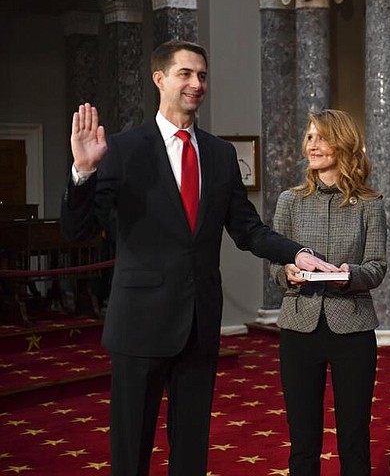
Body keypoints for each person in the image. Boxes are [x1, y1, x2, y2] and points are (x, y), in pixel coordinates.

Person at [60, 39, 340, 475]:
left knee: (191, 450)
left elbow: (247, 229)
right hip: (140, 323)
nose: (197, 84)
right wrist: (83, 173)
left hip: (199, 323)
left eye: (203, 76)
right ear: (160, 79)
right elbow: (78, 233)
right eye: (186, 74)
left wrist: (298, 253)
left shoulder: (220, 154)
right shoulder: (122, 149)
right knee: (131, 449)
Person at [269, 109, 387, 475]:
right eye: (309, 137)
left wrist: (348, 276)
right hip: (298, 328)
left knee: (354, 436)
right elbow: (275, 267)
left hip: (352, 329)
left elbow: (377, 268)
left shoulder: (370, 203)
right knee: (303, 438)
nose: (312, 145)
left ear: (344, 143)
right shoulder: (290, 201)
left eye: (321, 137)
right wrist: (288, 272)